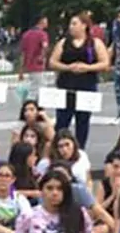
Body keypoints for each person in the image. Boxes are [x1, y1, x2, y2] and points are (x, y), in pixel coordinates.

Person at [46, 13, 111, 146]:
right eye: (70, 24)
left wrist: (88, 67)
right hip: (66, 86)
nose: (71, 27)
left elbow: (105, 63)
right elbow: (52, 62)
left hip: (87, 86)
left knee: (83, 121)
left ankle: (80, 149)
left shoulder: (95, 43)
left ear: (84, 26)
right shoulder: (64, 42)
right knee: (62, 120)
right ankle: (59, 147)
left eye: (74, 24)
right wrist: (68, 67)